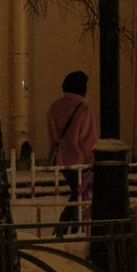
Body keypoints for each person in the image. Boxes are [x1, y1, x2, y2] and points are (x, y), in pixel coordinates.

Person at [45, 68, 97, 234]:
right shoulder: (83, 109)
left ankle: (72, 226)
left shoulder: (54, 107)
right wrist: (92, 159)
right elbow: (88, 139)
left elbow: (52, 136)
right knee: (81, 194)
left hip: (61, 159)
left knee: (78, 192)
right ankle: (64, 226)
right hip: (81, 160)